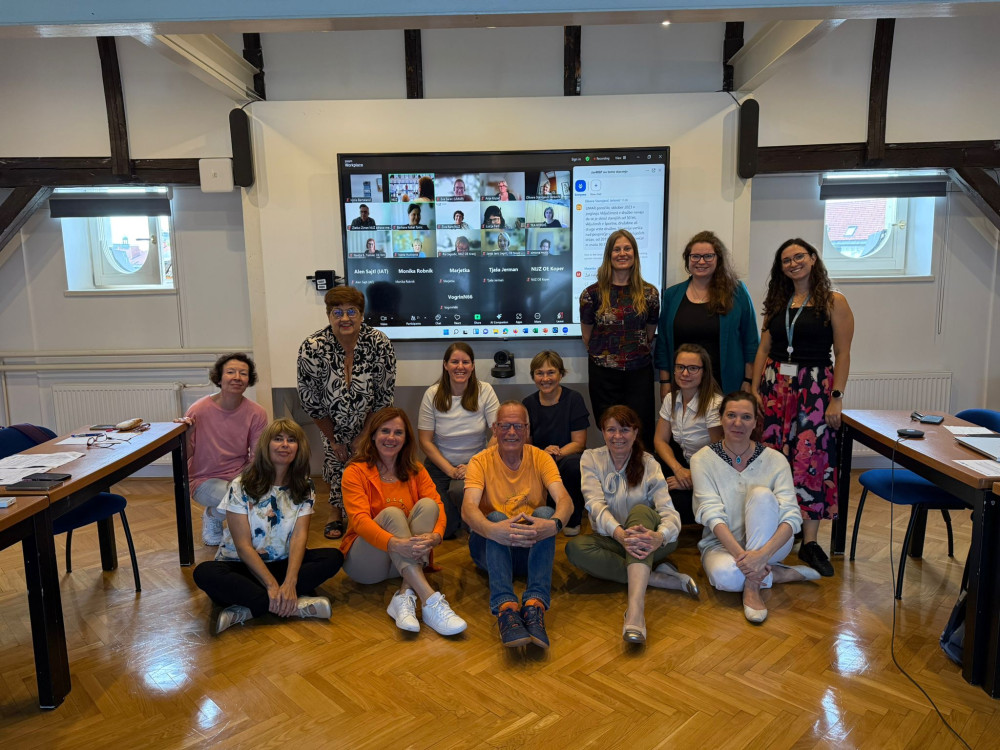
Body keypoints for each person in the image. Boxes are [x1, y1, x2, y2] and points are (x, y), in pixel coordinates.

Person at [751, 238, 855, 578]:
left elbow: (843, 353)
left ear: (812, 258)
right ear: (780, 268)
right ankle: (776, 527)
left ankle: (809, 542)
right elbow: (764, 347)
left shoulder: (833, 301)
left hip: (814, 389)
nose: (793, 263)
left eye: (799, 257)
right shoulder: (777, 300)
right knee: (772, 456)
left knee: (811, 460)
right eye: (786, 260)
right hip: (775, 387)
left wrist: (837, 396)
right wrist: (754, 389)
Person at [192, 419, 344, 634]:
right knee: (205, 573)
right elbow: (243, 546)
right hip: (242, 566)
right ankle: (296, 606)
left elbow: (299, 536)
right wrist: (272, 585)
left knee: (333, 557)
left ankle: (249, 609)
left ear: (299, 448)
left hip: (282, 563)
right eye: (278, 439)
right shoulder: (241, 485)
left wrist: (290, 581)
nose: (285, 445)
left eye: (291, 440)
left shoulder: (304, 486)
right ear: (266, 445)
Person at [566, 406, 695, 644]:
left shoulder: (649, 463)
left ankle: (635, 610)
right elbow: (594, 505)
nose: (618, 436)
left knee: (641, 512)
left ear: (635, 433)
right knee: (575, 549)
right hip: (613, 540)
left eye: (624, 430)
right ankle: (655, 577)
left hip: (650, 542)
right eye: (611, 430)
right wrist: (619, 535)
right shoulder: (591, 458)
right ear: (603, 432)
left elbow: (669, 512)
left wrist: (659, 537)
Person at [691, 392, 820, 623]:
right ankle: (776, 573)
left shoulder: (776, 459)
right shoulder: (702, 460)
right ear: (721, 418)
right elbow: (711, 514)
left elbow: (792, 516)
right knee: (724, 578)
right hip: (722, 544)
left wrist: (762, 555)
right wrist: (747, 559)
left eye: (746, 417)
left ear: (755, 422)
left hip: (772, 544)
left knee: (761, 495)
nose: (737, 423)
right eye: (731, 415)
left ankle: (752, 586)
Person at [341, 408, 467, 635]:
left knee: (428, 505)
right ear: (373, 435)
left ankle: (404, 594)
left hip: (402, 563)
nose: (391, 437)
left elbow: (438, 505)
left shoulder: (415, 470)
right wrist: (394, 543)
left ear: (406, 438)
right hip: (366, 564)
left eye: (398, 432)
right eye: (385, 431)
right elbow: (359, 521)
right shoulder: (355, 471)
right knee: (392, 514)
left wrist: (436, 536)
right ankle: (430, 600)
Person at [462, 401, 572, 649]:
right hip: (490, 550)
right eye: (505, 426)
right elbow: (468, 508)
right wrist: (493, 530)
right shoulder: (479, 461)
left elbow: (565, 500)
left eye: (518, 426)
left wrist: (554, 525)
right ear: (494, 429)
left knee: (546, 513)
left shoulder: (541, 458)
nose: (511, 432)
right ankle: (506, 608)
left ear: (527, 429)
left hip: (528, 550)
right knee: (495, 518)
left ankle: (535, 605)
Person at [298, 286, 397, 540]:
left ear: (361, 315)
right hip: (331, 422)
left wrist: (364, 436)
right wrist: (334, 439)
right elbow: (310, 401)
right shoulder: (313, 347)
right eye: (337, 312)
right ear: (328, 315)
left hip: (371, 421)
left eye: (351, 311)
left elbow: (384, 397)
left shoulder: (379, 343)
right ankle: (335, 511)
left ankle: (364, 512)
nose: (345, 318)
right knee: (336, 458)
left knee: (368, 461)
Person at [579, 228, 660, 449]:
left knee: (640, 430)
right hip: (604, 375)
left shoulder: (650, 294)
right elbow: (587, 336)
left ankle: (639, 471)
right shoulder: (591, 294)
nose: (622, 253)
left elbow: (649, 332)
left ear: (634, 254)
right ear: (609, 255)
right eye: (616, 249)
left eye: (627, 248)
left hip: (639, 372)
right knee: (611, 430)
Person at [176, 352, 267, 546]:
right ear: (219, 378)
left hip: (240, 475)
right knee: (239, 501)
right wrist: (188, 434)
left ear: (249, 380)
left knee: (264, 498)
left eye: (243, 373)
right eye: (231, 372)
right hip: (203, 479)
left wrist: (251, 483)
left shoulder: (257, 413)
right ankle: (213, 515)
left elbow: (256, 456)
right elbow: (185, 456)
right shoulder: (198, 410)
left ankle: (230, 520)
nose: (237, 377)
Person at [655, 231, 759, 398]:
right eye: (695, 256)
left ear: (718, 259)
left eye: (708, 256)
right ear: (688, 259)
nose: (701, 261)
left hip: (726, 385)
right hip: (683, 385)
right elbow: (663, 344)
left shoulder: (737, 292)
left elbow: (751, 341)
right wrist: (665, 381)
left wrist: (748, 379)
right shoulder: (672, 295)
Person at [418, 342, 499, 538]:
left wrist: (474, 465)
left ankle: (473, 523)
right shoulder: (432, 394)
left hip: (476, 463)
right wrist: (450, 470)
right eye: (454, 362)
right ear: (445, 365)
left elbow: (499, 433)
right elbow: (425, 441)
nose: (460, 367)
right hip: (440, 466)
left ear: (473, 365)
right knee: (444, 530)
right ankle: (464, 519)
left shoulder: (485, 390)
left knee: (460, 492)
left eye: (465, 362)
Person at [652, 343, 723, 524]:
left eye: (692, 368)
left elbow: (720, 455)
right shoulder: (671, 398)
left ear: (704, 372)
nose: (685, 373)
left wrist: (693, 478)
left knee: (672, 506)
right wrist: (678, 470)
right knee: (649, 477)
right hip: (684, 465)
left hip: (711, 474)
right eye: (680, 367)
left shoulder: (714, 404)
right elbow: (660, 440)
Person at [521, 350, 589, 535]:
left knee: (573, 465)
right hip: (539, 459)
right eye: (540, 373)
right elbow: (526, 445)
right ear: (533, 376)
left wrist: (555, 454)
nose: (545, 378)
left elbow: (579, 443)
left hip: (566, 458)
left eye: (551, 372)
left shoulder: (574, 399)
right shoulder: (527, 403)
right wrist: (544, 455)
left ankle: (572, 520)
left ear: (561, 374)